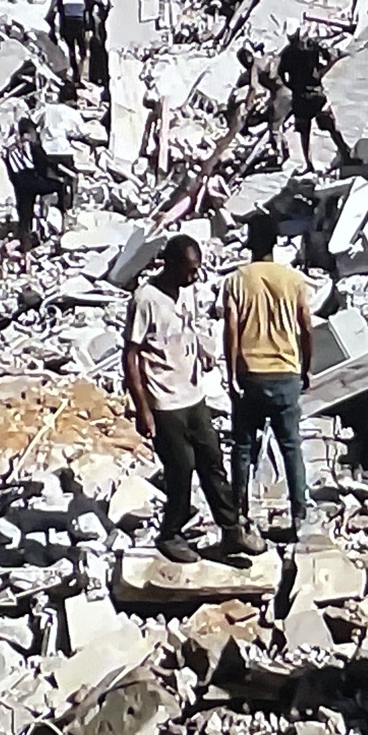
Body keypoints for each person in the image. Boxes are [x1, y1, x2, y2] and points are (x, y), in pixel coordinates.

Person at [124, 237, 264, 566]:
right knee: (181, 468)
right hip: (164, 399)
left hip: (193, 394)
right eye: (188, 271)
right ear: (169, 265)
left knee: (212, 461)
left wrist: (201, 350)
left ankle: (231, 530)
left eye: (196, 271)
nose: (193, 278)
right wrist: (142, 408)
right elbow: (130, 355)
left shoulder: (187, 291)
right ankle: (170, 533)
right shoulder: (145, 299)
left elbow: (188, 326)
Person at [223, 217, 316, 540]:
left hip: (250, 374)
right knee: (291, 446)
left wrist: (231, 373)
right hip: (286, 372)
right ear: (275, 243)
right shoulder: (293, 280)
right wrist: (306, 367)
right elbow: (306, 326)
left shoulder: (236, 280)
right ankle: (299, 515)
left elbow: (231, 329)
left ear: (250, 242)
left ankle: (239, 514)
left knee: (243, 447)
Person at [279, 30, 351, 172]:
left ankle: (308, 163)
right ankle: (344, 153)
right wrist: (332, 60)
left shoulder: (287, 53)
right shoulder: (312, 50)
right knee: (328, 124)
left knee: (304, 131)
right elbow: (319, 70)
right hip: (316, 93)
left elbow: (281, 74)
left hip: (300, 95)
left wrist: (291, 86)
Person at [0, 108, 57, 251]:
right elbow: (40, 163)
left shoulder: (10, 149)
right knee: (60, 186)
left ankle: (25, 245)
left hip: (19, 185)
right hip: (31, 181)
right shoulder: (29, 146)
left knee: (24, 216)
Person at [34, 92, 94, 215]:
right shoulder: (71, 112)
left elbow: (35, 123)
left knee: (47, 179)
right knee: (71, 178)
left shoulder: (46, 109)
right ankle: (70, 206)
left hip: (46, 152)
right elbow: (80, 132)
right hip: (63, 151)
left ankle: (44, 205)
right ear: (72, 100)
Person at [48, 0, 96, 91]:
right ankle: (79, 76)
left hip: (67, 25)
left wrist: (59, 30)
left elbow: (60, 14)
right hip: (80, 26)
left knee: (72, 52)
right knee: (83, 52)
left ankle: (75, 75)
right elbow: (89, 13)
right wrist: (90, 28)